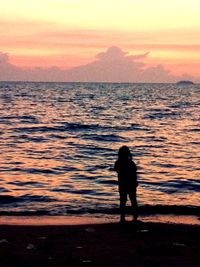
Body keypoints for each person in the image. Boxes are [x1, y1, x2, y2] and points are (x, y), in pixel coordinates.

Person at [114, 145, 138, 223]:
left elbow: (116, 170)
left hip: (123, 184)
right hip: (131, 184)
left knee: (123, 200)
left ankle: (122, 217)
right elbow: (134, 174)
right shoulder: (131, 163)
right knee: (133, 200)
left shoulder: (118, 163)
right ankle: (135, 216)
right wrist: (135, 182)